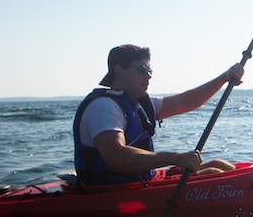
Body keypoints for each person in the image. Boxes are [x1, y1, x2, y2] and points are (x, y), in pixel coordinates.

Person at [73, 44, 244, 186]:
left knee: (218, 164)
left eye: (150, 71)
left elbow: (186, 102)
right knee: (214, 174)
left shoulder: (140, 103)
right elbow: (116, 157)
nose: (148, 77)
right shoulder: (104, 107)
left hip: (143, 180)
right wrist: (175, 158)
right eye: (142, 70)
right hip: (111, 191)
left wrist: (224, 78)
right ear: (118, 71)